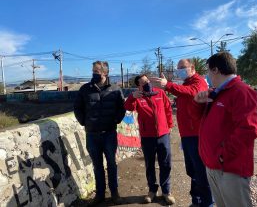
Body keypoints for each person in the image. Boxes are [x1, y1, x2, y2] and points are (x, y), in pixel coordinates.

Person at [194, 52, 257, 207]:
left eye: (208, 71)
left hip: (230, 168)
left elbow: (249, 129)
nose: (207, 75)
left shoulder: (241, 91)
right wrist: (198, 103)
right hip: (214, 165)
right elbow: (204, 122)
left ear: (215, 70)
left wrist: (222, 156)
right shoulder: (217, 92)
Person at [150, 59, 213, 207]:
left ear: (192, 68)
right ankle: (197, 201)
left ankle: (207, 202)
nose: (179, 70)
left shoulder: (198, 82)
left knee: (201, 172)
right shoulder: (186, 83)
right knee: (193, 171)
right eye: (178, 68)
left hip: (196, 135)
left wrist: (168, 86)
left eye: (182, 68)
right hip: (187, 135)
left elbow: (192, 92)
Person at [74, 61, 126, 205]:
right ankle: (100, 194)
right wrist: (84, 122)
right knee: (97, 165)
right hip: (92, 135)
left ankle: (115, 193)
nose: (94, 73)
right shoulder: (85, 89)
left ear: (105, 73)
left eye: (97, 71)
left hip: (109, 133)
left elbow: (122, 108)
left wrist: (116, 120)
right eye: (93, 70)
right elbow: (77, 108)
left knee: (111, 164)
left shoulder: (115, 89)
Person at [124, 74, 176, 205]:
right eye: (143, 82)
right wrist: (132, 97)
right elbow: (128, 107)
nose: (146, 83)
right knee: (150, 164)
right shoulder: (138, 97)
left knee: (165, 163)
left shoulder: (159, 92)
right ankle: (152, 191)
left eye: (147, 80)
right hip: (148, 137)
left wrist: (169, 125)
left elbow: (168, 109)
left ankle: (166, 191)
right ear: (139, 86)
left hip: (163, 135)